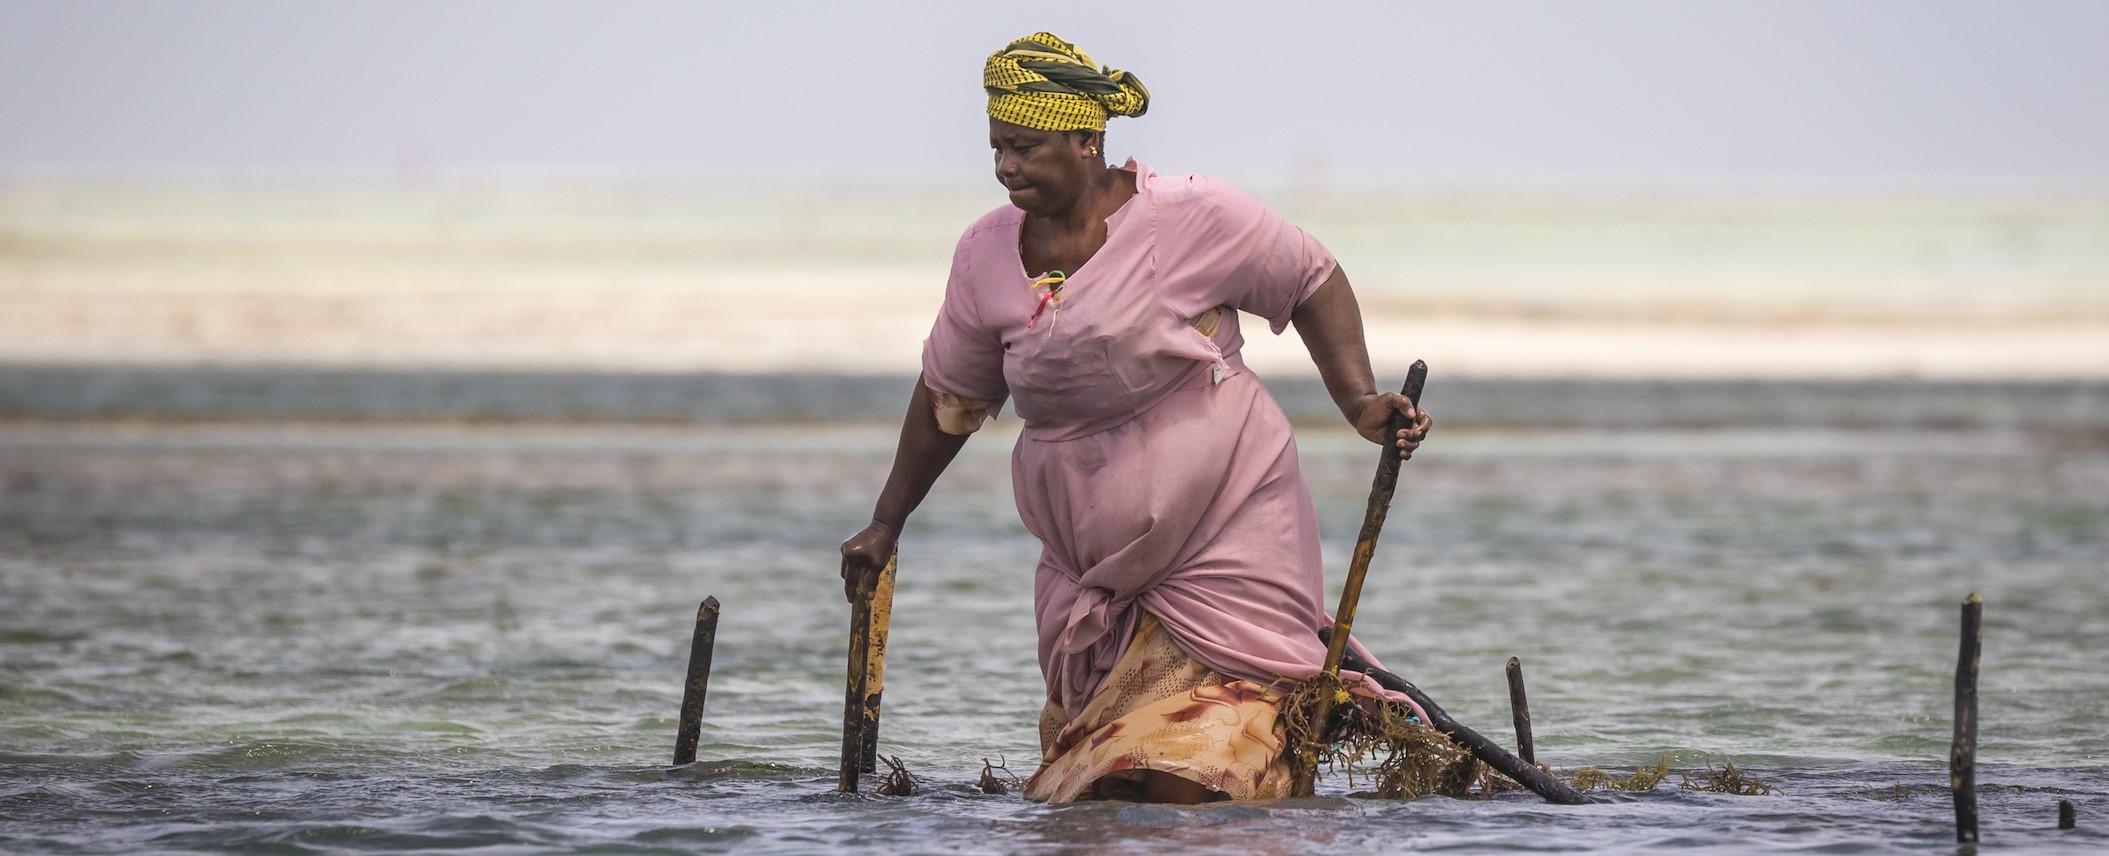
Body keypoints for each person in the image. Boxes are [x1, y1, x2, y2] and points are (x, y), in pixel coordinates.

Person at [838, 32, 1431, 804]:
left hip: (1227, 526)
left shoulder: (1189, 216)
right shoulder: (985, 253)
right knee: (1092, 801)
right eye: (996, 149)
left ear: (1087, 141)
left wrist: (1356, 399)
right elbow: (947, 400)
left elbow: (1309, 278)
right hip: (1088, 564)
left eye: (1025, 147)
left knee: (1204, 774)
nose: (1005, 167)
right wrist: (887, 523)